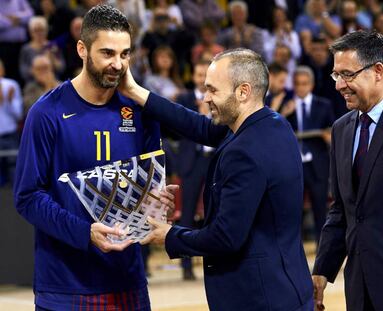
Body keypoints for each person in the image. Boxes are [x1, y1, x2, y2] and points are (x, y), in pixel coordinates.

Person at [118, 48, 314, 310]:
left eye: (212, 90)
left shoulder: (244, 151)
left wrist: (170, 235)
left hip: (258, 298)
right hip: (287, 287)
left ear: (243, 92)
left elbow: (226, 237)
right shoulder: (273, 124)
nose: (206, 98)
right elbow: (197, 125)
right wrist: (134, 91)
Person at [14, 5, 175, 311]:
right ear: (82, 49)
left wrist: (158, 201)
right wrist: (83, 233)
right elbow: (27, 196)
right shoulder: (46, 113)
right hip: (66, 286)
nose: (118, 64)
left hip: (128, 280)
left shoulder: (140, 110)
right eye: (107, 53)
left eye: (125, 54)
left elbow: (149, 184)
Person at [312, 30, 383, 311]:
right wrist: (322, 270)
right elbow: (341, 210)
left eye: (347, 74)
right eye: (336, 75)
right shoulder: (341, 129)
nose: (338, 85)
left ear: (378, 71)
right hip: (358, 286)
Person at [281, 66, 334, 243]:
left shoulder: (324, 105)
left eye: (304, 84)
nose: (301, 87)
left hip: (317, 165)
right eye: (297, 84)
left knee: (320, 210)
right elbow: (276, 131)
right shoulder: (286, 104)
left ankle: (322, 253)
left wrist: (327, 137)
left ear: (311, 85)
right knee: (292, 211)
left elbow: (331, 130)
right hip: (294, 166)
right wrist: (284, 113)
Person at [175, 60, 213, 281]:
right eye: (198, 74)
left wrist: (209, 113)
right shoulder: (184, 99)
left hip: (214, 160)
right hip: (192, 161)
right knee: (187, 214)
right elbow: (177, 128)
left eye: (204, 75)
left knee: (213, 212)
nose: (201, 79)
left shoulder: (219, 96)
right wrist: (200, 115)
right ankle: (186, 266)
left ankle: (213, 262)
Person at [0, 59, 23, 187]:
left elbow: (18, 114)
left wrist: (8, 101)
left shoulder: (11, 85)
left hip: (10, 134)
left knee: (14, 174)